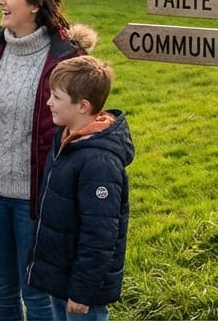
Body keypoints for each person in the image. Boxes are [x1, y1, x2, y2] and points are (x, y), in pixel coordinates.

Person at [0, 0, 97, 321]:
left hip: (35, 195)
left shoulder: (65, 58)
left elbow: (79, 126)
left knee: (36, 295)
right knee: (2, 291)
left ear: (34, 5)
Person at [26, 55, 134, 321]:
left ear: (83, 106)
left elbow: (100, 236)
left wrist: (83, 291)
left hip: (82, 291)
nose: (49, 102)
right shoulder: (66, 139)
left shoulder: (99, 163)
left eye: (56, 97)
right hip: (62, 279)